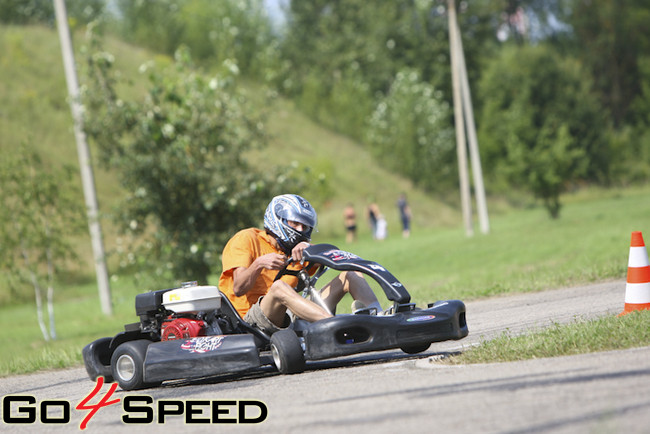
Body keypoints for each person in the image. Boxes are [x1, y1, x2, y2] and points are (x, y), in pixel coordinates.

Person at [219, 194, 383, 336]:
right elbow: (238, 288)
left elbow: (334, 253)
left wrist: (310, 250)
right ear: (278, 220)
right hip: (250, 323)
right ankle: (338, 326)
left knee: (350, 275)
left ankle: (381, 320)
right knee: (279, 287)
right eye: (294, 223)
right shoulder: (246, 239)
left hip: (290, 315)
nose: (300, 229)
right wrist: (259, 263)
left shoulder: (294, 250)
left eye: (304, 226)